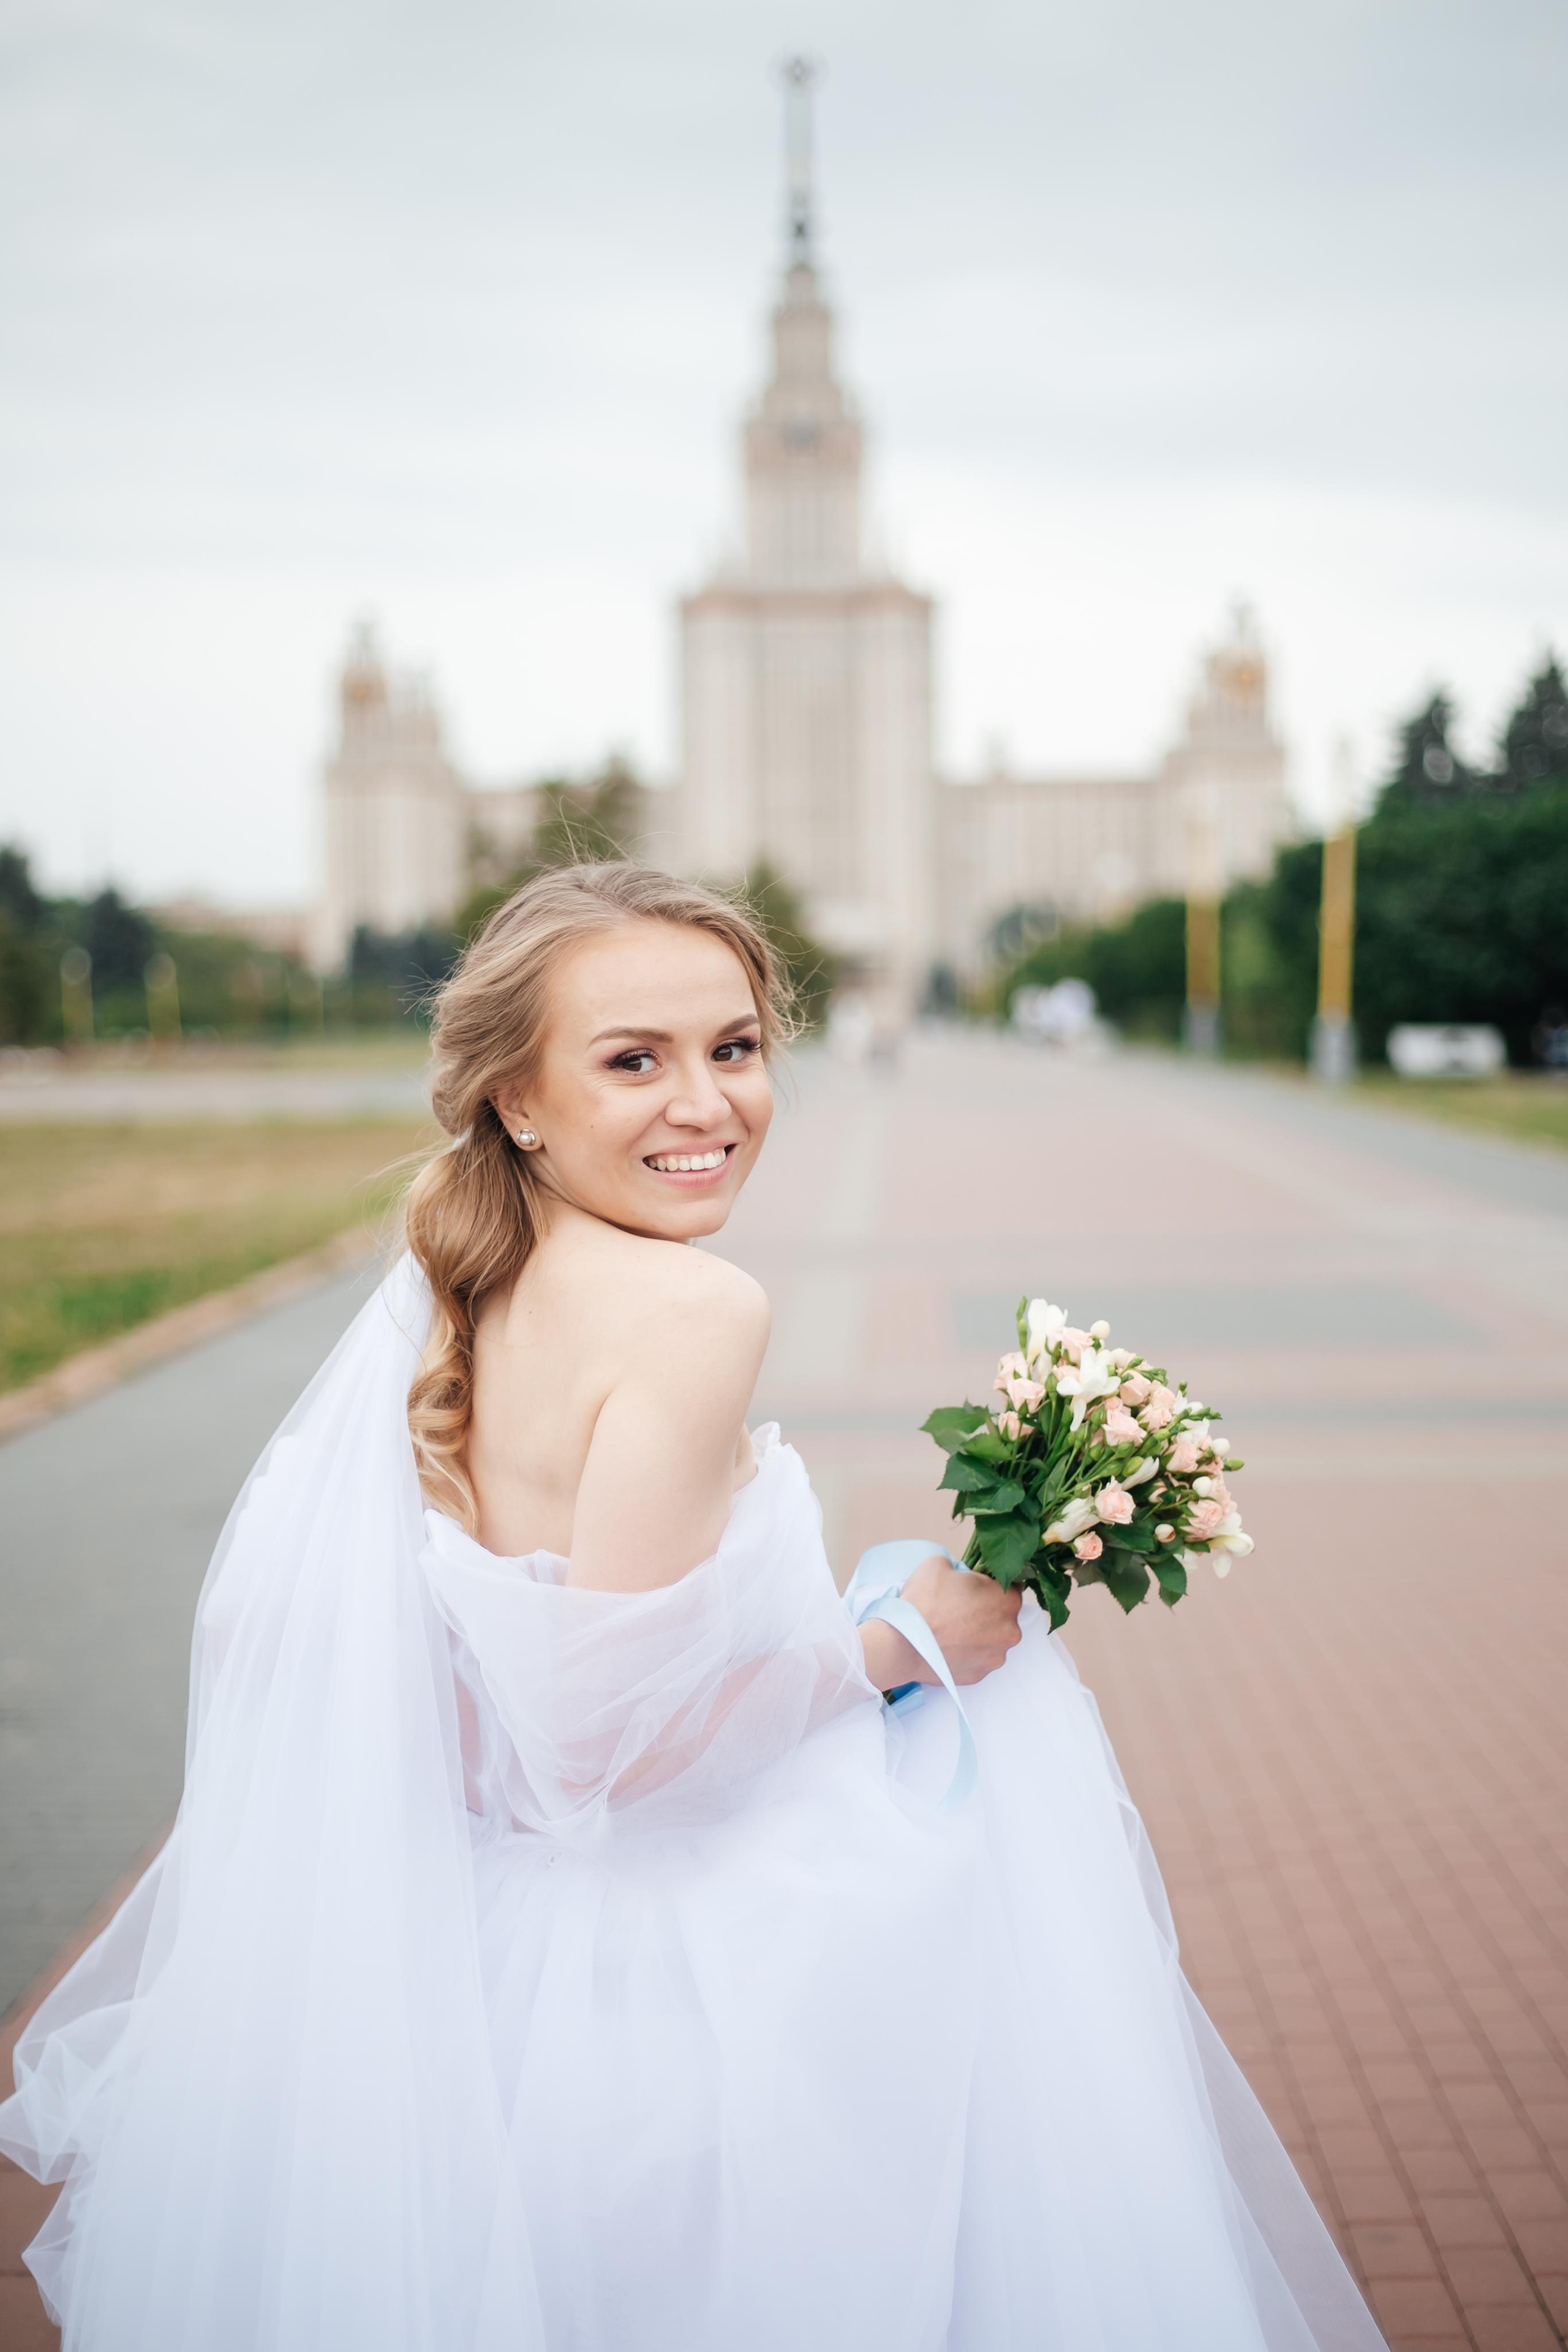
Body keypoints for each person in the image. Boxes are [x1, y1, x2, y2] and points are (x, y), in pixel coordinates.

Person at [0, 864, 1387, 2351]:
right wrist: (900, 1639)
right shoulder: (690, 1311)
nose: (706, 1104)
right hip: (665, 1993)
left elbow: (505, 1673)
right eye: (632, 1061)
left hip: (482, 1953)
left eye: (732, 1049)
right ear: (516, 1100)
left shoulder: (466, 1280)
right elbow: (608, 1745)